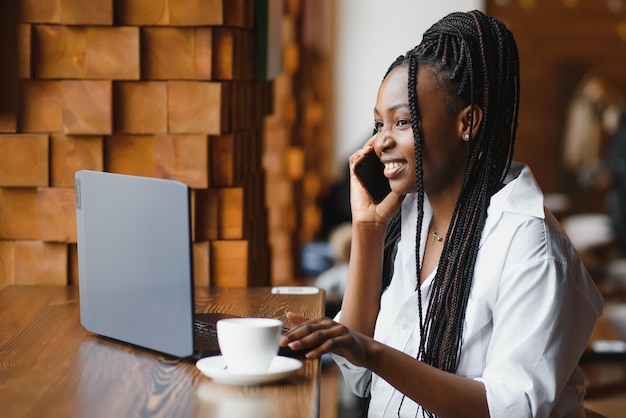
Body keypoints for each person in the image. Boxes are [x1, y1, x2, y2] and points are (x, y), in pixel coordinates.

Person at [280, 10, 603, 418]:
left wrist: (373, 352)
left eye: (402, 121)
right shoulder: (414, 214)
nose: (380, 142)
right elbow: (358, 376)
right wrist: (368, 229)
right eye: (378, 124)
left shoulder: (529, 244)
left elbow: (510, 411)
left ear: (467, 122)